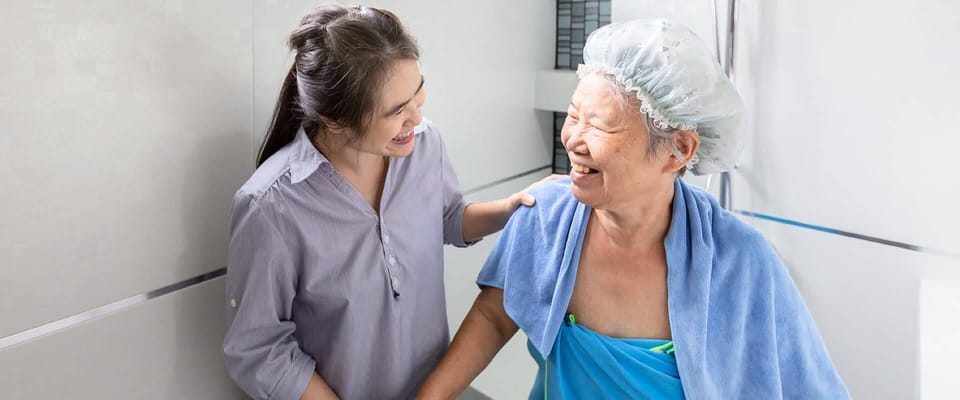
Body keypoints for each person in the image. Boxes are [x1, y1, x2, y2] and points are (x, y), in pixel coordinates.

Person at [417, 19, 850, 399]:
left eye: (599, 124)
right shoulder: (545, 213)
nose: (572, 138)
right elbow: (495, 315)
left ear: (678, 150)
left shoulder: (741, 260)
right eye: (573, 115)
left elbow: (804, 385)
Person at [222, 5, 551, 400]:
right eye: (397, 110)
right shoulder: (270, 207)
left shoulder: (424, 145)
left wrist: (511, 208)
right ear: (335, 120)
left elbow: (447, 216)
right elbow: (257, 349)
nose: (417, 115)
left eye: (417, 93)